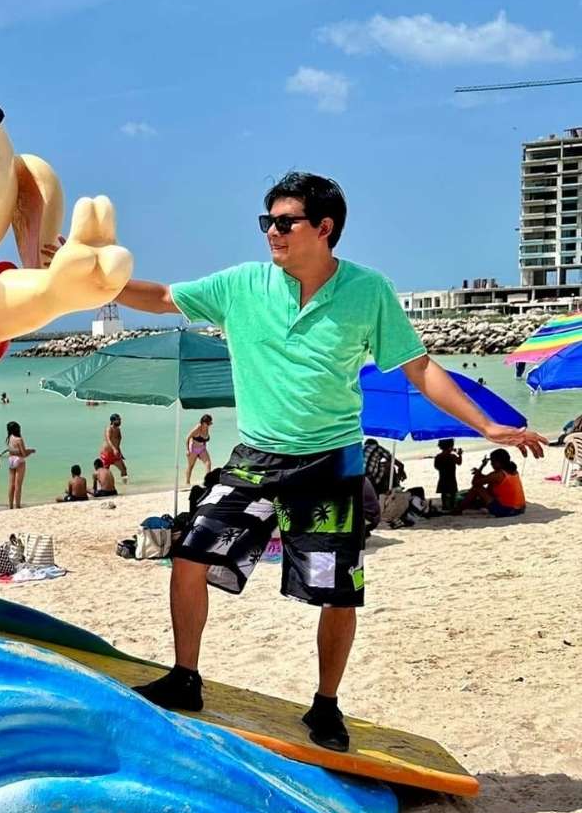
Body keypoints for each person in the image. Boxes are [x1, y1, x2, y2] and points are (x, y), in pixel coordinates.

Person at [115, 170, 545, 751]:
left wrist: (488, 425)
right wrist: (93, 282)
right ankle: (185, 676)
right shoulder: (243, 285)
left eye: (285, 222)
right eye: (266, 221)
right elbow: (165, 298)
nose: (272, 232)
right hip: (256, 458)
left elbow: (419, 368)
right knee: (190, 556)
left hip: (330, 464)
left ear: (324, 228)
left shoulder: (368, 291)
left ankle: (325, 707)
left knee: (338, 591)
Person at [453, 448, 526, 517]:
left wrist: (481, 467)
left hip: (507, 510)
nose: (491, 464)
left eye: (492, 462)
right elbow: (489, 479)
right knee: (490, 486)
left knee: (477, 488)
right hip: (520, 509)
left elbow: (475, 483)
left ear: (498, 462)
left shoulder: (498, 475)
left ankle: (458, 510)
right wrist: (480, 474)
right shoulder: (513, 471)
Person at [5, 421, 35, 509]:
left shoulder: (10, 438)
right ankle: (17, 505)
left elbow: (12, 451)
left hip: (11, 460)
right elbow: (23, 454)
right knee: (18, 485)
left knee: (11, 484)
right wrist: (31, 451)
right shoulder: (19, 439)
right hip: (19, 461)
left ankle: (10, 505)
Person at [433, 438, 463, 512]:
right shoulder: (452, 456)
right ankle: (452, 505)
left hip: (442, 476)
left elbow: (436, 466)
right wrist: (460, 454)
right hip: (451, 477)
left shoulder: (438, 456)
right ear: (450, 446)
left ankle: (444, 505)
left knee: (443, 492)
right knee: (453, 492)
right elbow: (459, 462)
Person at [185, 415, 214, 484]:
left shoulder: (207, 427)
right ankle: (187, 482)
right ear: (204, 423)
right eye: (208, 423)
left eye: (210, 423)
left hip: (202, 449)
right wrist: (187, 450)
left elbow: (204, 439)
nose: (209, 424)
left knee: (208, 464)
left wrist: (204, 446)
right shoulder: (197, 428)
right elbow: (187, 438)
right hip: (193, 449)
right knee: (191, 466)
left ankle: (208, 481)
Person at [100, 413, 128, 481]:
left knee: (124, 469)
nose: (120, 421)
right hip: (106, 455)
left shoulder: (118, 430)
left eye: (120, 420)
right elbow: (108, 439)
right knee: (105, 473)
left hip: (115, 455)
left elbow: (118, 443)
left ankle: (125, 485)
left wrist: (120, 453)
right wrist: (114, 449)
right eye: (118, 420)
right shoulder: (109, 428)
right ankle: (103, 487)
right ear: (113, 421)